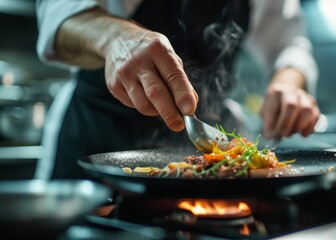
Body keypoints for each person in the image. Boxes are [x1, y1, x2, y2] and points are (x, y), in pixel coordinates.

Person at [35, 0, 320, 179]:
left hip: (211, 145)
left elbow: (289, 42)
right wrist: (114, 36)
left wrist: (288, 84)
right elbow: (57, 18)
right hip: (96, 137)